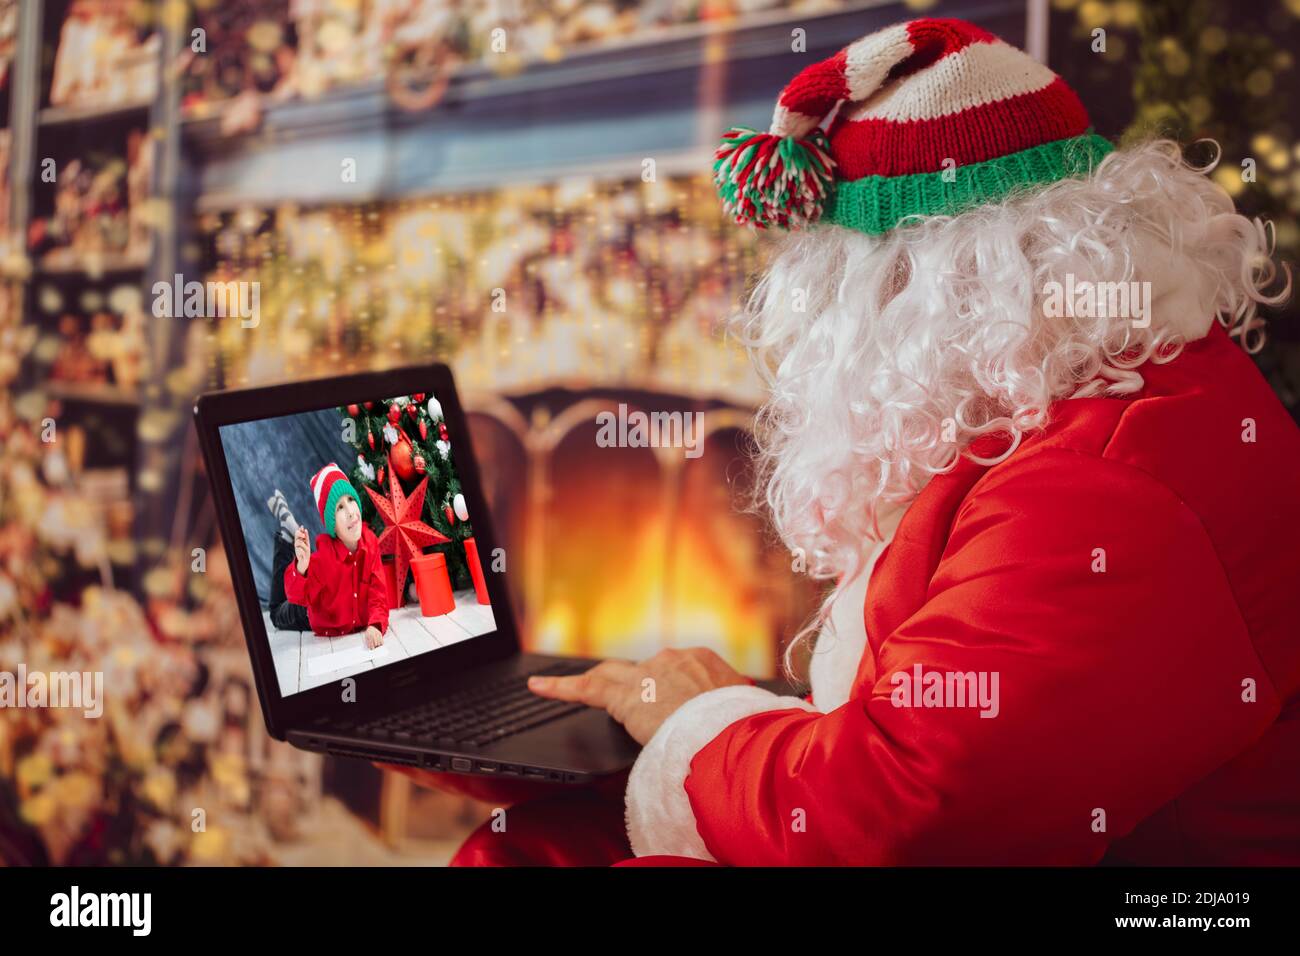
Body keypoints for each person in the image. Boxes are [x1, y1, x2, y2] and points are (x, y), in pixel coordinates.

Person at [391, 16, 1300, 865]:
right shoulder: (1101, 392)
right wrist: (673, 714)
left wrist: (702, 723)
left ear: (927, 283)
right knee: (536, 838)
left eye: (834, 283)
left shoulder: (1100, 488)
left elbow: (910, 811)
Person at [284, 463, 389, 648]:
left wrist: (375, 625)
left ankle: (288, 528)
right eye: (340, 507)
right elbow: (295, 595)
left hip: (347, 619)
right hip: (307, 615)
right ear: (331, 523)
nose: (350, 512)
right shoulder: (324, 559)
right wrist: (301, 566)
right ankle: (284, 533)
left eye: (351, 499)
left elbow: (378, 593)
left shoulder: (370, 543)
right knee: (278, 612)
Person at [266, 488, 310, 632]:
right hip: (315, 608)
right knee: (277, 611)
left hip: (313, 604)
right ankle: (288, 535)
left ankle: (288, 535)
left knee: (276, 612)